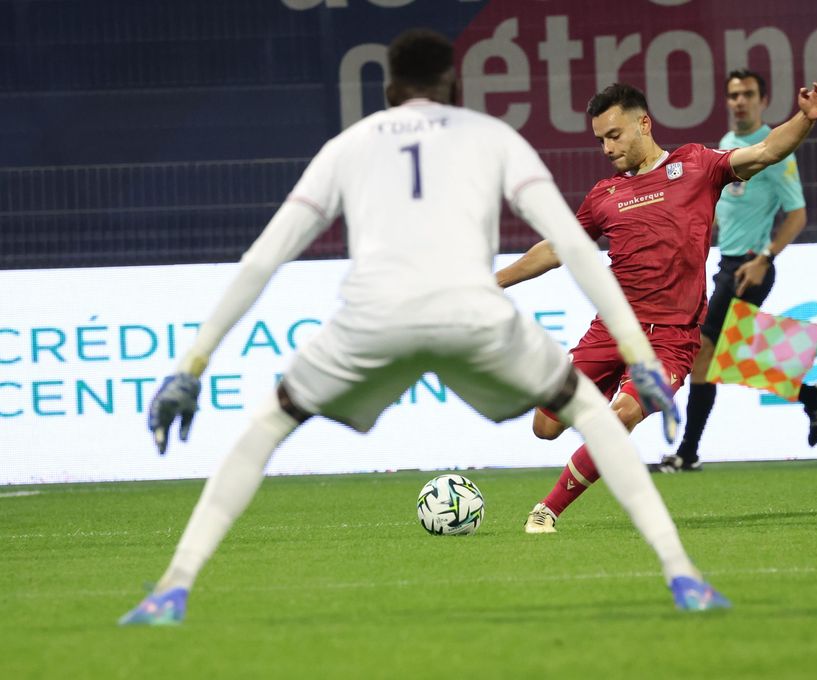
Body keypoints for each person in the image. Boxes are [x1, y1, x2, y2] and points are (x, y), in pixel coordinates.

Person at [118, 29, 731, 625]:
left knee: (266, 426)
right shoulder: (489, 137)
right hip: (471, 315)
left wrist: (190, 366)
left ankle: (172, 589)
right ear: (454, 87)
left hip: (373, 317)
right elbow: (571, 248)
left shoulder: (350, 145)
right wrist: (640, 357)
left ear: (389, 90)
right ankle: (682, 575)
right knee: (595, 417)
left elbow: (263, 259)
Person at [496, 80, 817, 533]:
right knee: (545, 428)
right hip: (610, 330)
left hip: (671, 341)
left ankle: (548, 509)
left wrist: (806, 119)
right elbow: (556, 249)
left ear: (644, 124)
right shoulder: (603, 195)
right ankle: (804, 390)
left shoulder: (696, 164)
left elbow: (768, 150)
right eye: (600, 140)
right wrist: (493, 281)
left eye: (614, 135)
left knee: (624, 415)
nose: (607, 148)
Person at [653, 69, 817, 474]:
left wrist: (765, 257)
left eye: (748, 94)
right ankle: (812, 395)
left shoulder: (774, 148)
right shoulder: (727, 146)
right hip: (726, 264)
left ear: (762, 101)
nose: (740, 101)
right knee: (730, 352)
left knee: (702, 348)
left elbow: (797, 214)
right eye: (734, 94)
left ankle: (687, 453)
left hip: (750, 266)